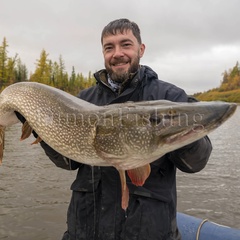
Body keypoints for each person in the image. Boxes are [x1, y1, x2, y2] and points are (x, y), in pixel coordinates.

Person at [17, 19, 212, 240]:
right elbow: (68, 162)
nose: (117, 53)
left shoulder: (169, 97)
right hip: (85, 231)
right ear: (103, 53)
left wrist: (178, 126)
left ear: (141, 49)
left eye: (125, 44)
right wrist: (38, 126)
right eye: (109, 47)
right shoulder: (84, 100)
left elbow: (196, 163)